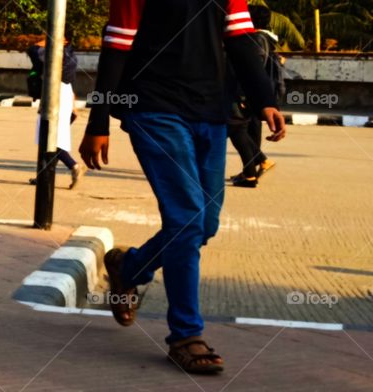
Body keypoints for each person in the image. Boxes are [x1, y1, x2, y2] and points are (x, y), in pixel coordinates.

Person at [79, 0, 286, 374]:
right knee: (187, 220)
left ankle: (129, 267)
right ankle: (186, 335)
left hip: (211, 112)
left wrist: (265, 100)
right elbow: (117, 48)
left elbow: (240, 40)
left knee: (203, 225)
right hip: (152, 108)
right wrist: (98, 123)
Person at [227, 5, 281, 188]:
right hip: (253, 93)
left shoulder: (255, 39)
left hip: (246, 93)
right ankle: (253, 168)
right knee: (244, 130)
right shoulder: (265, 38)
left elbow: (249, 67)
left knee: (236, 129)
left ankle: (253, 170)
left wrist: (244, 94)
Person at [26, 34, 86, 189]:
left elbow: (33, 50)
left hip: (55, 95)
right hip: (61, 95)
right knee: (51, 137)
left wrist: (47, 39)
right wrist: (73, 105)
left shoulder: (59, 54)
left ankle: (74, 167)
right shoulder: (69, 54)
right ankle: (44, 175)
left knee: (49, 137)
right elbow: (70, 83)